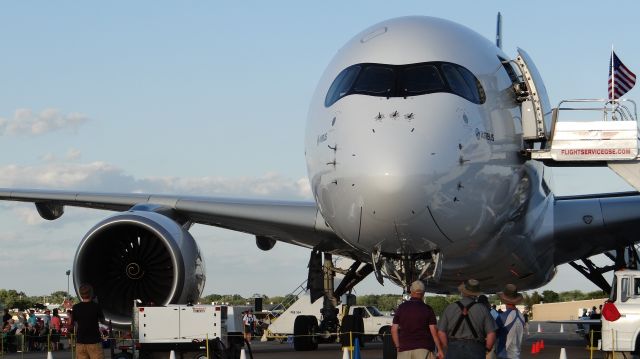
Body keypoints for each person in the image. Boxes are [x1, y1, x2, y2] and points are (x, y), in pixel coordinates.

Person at [437, 279, 496, 359]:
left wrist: (447, 346)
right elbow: (491, 333)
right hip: (476, 349)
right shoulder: (483, 309)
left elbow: (441, 332)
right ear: (476, 294)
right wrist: (487, 349)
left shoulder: (450, 308)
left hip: (454, 348)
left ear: (463, 292)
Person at [391, 280, 443, 359]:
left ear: (411, 291)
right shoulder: (428, 309)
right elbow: (434, 331)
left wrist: (398, 347)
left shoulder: (401, 307)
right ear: (423, 293)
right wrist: (440, 349)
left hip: (404, 349)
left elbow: (394, 329)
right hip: (423, 349)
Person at [72, 284, 105, 359]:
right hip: (94, 342)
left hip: (80, 342)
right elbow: (102, 321)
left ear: (80, 294)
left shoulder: (76, 307)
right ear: (91, 293)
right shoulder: (96, 306)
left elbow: (73, 323)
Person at [495, 284, 525, 359]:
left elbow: (494, 334)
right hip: (517, 355)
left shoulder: (503, 317)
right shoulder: (522, 316)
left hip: (504, 354)